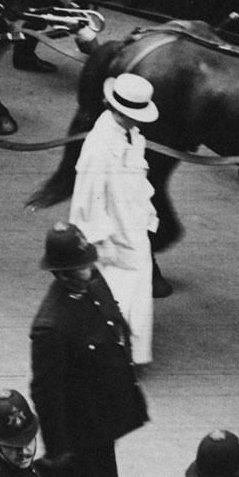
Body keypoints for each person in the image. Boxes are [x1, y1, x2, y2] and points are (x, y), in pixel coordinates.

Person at [27, 223, 148, 477]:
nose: (89, 268)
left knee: (75, 464)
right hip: (84, 421)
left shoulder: (93, 282)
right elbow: (44, 391)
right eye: (80, 266)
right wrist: (57, 442)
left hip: (107, 404)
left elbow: (113, 325)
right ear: (61, 273)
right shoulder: (51, 325)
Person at [67, 71, 161, 364]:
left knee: (135, 284)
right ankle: (111, 349)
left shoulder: (130, 135)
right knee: (115, 289)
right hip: (112, 230)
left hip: (131, 221)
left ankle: (126, 349)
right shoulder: (99, 146)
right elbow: (87, 198)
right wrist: (99, 240)